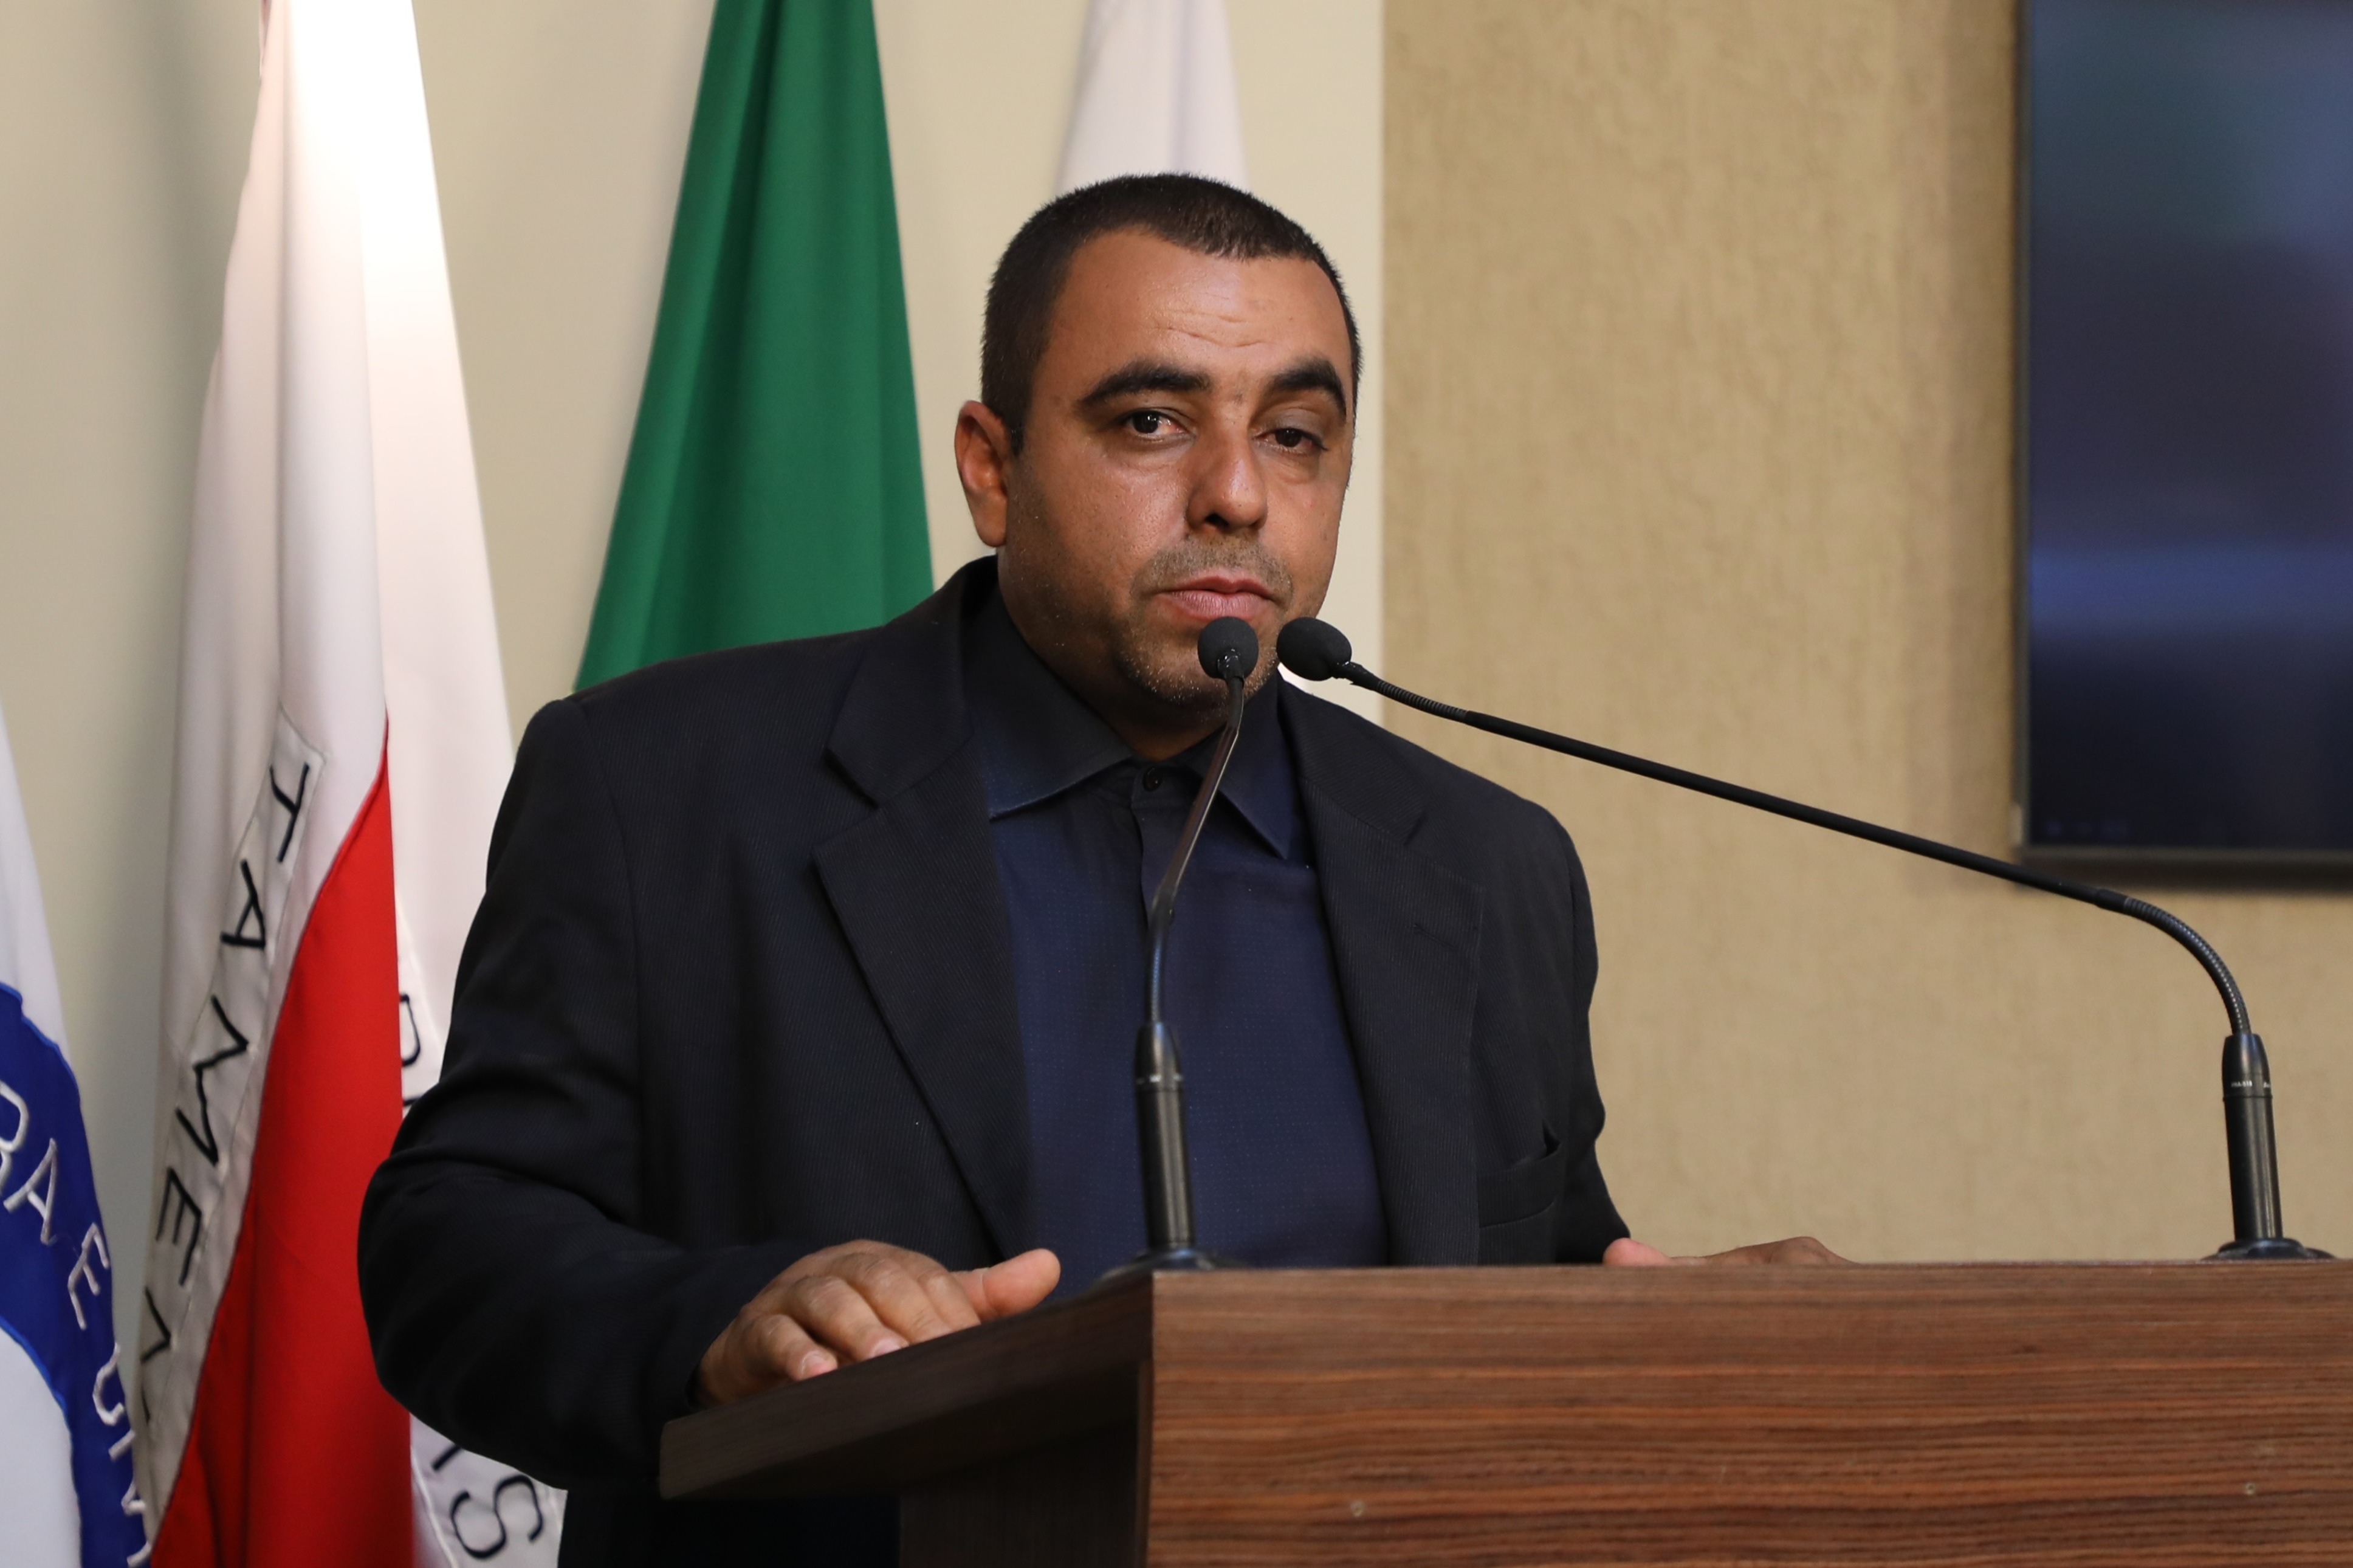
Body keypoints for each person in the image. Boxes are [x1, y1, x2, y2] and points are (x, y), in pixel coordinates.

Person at [359, 174, 1833, 1568]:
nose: (1236, 494)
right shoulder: (664, 787)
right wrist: (727, 1322)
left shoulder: (1487, 864)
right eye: (1150, 422)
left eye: (1295, 436)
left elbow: (1541, 1293)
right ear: (991, 469)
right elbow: (452, 1255)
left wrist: (1699, 1343)